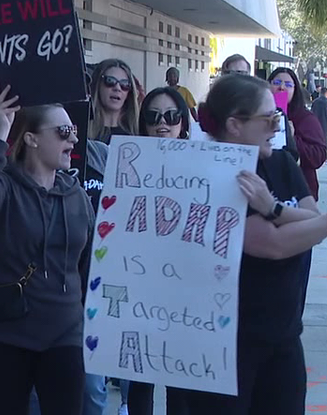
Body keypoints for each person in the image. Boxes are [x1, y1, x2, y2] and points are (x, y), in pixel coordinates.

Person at [174, 74, 327, 414]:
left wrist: (272, 208)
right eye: (270, 118)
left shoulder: (281, 163)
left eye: (278, 116)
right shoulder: (214, 173)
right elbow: (271, 244)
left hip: (284, 334)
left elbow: (311, 218)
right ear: (235, 124)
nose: (278, 127)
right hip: (227, 344)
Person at [0, 83, 95, 415]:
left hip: (65, 329)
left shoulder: (75, 195)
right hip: (6, 331)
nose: (73, 140)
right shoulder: (5, 187)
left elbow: (88, 260)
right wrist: (0, 133)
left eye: (74, 131)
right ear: (32, 139)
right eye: (64, 132)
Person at [115, 87, 194, 415]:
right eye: (153, 116)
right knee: (140, 375)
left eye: (171, 116)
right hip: (139, 281)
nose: (163, 123)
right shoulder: (123, 164)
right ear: (142, 122)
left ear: (183, 124)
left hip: (185, 286)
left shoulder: (202, 166)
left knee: (180, 379)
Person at [268, 68, 327, 199]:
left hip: (300, 194)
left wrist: (293, 139)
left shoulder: (306, 118)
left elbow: (318, 156)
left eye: (288, 85)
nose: (282, 88)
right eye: (277, 82)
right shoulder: (256, 114)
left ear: (296, 90)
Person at [90, 59, 140, 143]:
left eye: (124, 84)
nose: (117, 88)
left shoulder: (138, 133)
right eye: (110, 81)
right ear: (97, 85)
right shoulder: (81, 130)